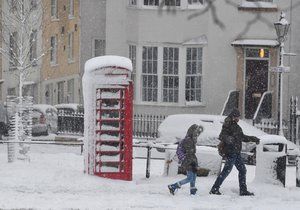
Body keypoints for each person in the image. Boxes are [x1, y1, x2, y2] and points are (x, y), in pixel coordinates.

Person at [210, 108, 259, 196]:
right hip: (231, 152)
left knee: (242, 170)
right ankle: (214, 189)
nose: (238, 119)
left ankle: (243, 191)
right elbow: (222, 136)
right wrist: (229, 139)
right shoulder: (227, 124)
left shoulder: (236, 126)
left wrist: (253, 138)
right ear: (233, 116)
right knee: (226, 171)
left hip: (236, 153)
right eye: (237, 117)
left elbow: (242, 137)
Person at [168, 124, 203, 195]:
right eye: (196, 132)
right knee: (190, 178)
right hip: (188, 161)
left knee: (194, 177)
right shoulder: (189, 140)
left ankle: (193, 191)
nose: (197, 134)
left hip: (191, 160)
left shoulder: (191, 139)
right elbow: (189, 153)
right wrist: (191, 163)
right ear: (192, 132)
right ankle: (173, 186)